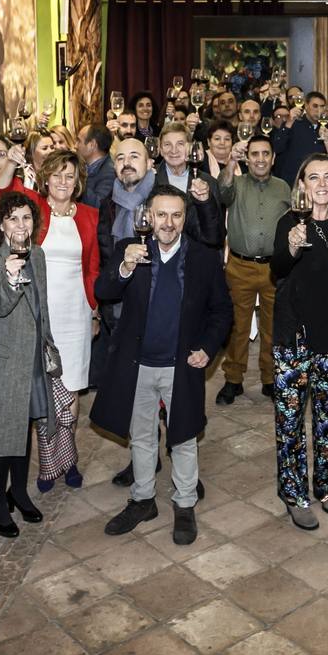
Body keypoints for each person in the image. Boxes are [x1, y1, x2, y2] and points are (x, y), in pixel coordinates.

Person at [92, 186, 233, 544]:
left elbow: (222, 312)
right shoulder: (131, 250)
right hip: (137, 363)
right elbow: (104, 290)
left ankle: (184, 505)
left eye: (176, 215)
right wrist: (123, 267)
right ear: (148, 217)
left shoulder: (203, 258)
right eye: (161, 215)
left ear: (185, 218)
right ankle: (143, 500)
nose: (168, 223)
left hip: (180, 364)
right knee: (141, 436)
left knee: (183, 435)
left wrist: (207, 347)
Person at [269, 155, 328, 529]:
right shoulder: (290, 224)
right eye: (313, 178)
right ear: (301, 185)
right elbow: (278, 268)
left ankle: (327, 486)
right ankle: (294, 494)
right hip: (295, 338)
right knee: (290, 423)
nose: (321, 184)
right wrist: (291, 245)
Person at [0, 191, 53, 536]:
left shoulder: (39, 255)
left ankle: (18, 491)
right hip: (5, 360)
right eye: (13, 218)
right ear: (1, 224)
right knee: (1, 435)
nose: (21, 225)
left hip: (33, 354)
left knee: (25, 429)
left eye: (27, 218)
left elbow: (42, 306)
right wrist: (9, 276)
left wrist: (48, 344)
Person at [34, 150, 101, 491]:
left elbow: (92, 268)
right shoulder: (33, 211)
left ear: (78, 183)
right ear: (45, 178)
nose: (63, 181)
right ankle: (48, 465)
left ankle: (68, 458)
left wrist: (94, 309)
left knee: (71, 387)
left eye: (70, 176)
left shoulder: (89, 215)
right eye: (57, 174)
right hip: (39, 315)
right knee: (45, 391)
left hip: (75, 313)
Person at [216, 134, 287, 405]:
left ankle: (270, 379)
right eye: (254, 154)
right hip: (240, 266)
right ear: (247, 158)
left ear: (273, 158)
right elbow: (222, 191)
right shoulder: (236, 183)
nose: (260, 159)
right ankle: (233, 379)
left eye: (265, 154)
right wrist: (230, 162)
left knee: (273, 328)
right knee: (238, 327)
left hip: (273, 269)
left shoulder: (283, 188)